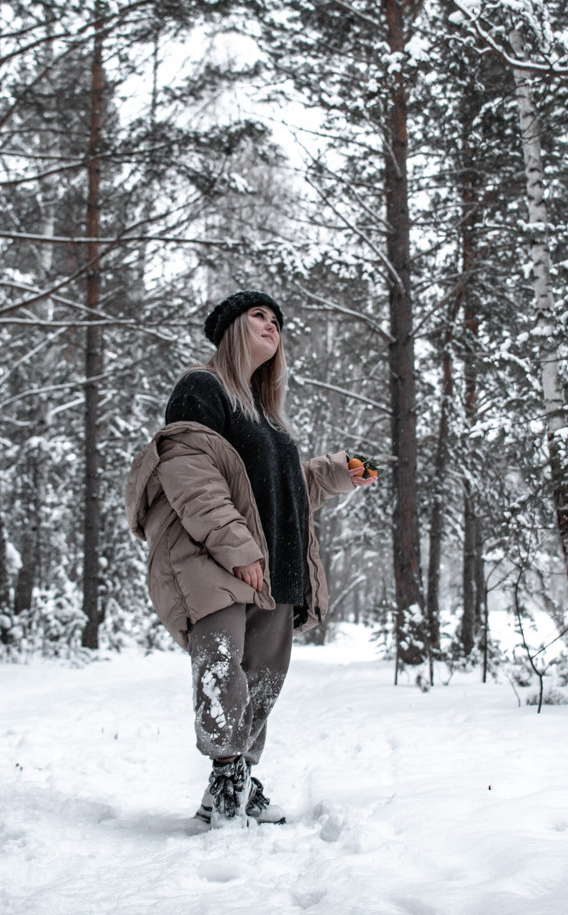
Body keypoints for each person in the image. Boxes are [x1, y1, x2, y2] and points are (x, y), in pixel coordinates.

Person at [125, 289, 376, 827]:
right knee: (222, 669)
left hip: (274, 564)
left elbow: (281, 491)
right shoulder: (201, 389)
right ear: (233, 328)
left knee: (264, 676)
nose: (271, 325)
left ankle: (232, 780)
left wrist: (337, 472)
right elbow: (189, 471)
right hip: (212, 558)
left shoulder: (267, 416)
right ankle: (229, 774)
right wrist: (237, 549)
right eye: (258, 315)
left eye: (276, 321)